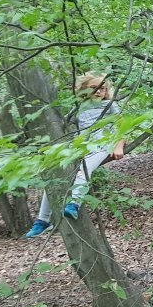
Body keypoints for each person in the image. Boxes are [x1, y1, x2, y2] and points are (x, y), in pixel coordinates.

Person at [24, 73, 125, 237]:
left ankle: (74, 204)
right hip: (81, 146)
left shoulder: (109, 105)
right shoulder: (80, 106)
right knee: (56, 175)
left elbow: (122, 127)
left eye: (103, 88)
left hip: (102, 145)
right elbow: (64, 123)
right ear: (84, 89)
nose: (99, 91)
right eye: (94, 88)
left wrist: (119, 147)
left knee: (84, 171)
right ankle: (42, 221)